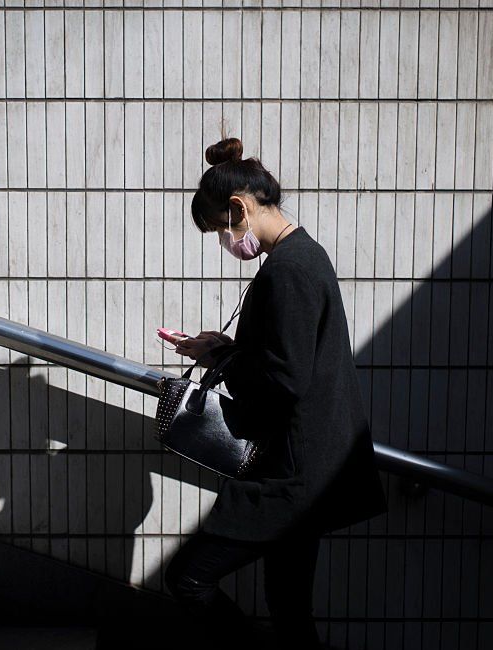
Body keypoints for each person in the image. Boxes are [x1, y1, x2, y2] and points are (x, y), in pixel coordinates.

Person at [164, 135, 388, 650]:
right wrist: (222, 348)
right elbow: (285, 360)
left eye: (221, 228)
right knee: (289, 607)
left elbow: (286, 379)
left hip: (293, 473)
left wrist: (222, 358)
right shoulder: (300, 258)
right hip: (310, 467)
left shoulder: (289, 270)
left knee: (190, 578)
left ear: (239, 208)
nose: (226, 241)